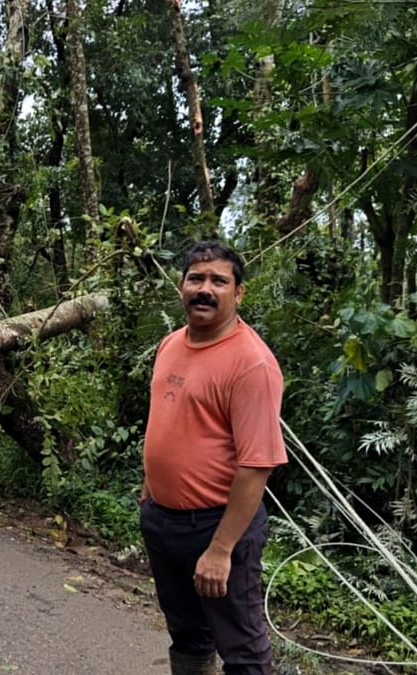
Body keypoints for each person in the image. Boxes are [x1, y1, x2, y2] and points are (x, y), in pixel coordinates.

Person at [139, 241, 287, 674]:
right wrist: (151, 486)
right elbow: (167, 418)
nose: (205, 289)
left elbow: (257, 464)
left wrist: (221, 550)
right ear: (182, 286)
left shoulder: (251, 363)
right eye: (196, 278)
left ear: (238, 293)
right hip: (163, 521)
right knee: (187, 634)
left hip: (218, 526)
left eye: (219, 281)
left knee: (241, 647)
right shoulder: (171, 343)